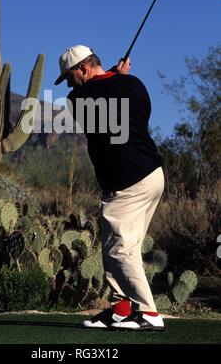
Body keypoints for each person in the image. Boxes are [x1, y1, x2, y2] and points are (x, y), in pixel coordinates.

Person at [54, 45, 165, 331]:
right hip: (152, 174)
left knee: (120, 251)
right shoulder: (135, 84)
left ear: (83, 69)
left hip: (127, 182)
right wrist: (119, 76)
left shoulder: (77, 98)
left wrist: (114, 76)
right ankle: (121, 309)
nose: (68, 83)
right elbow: (129, 106)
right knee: (114, 246)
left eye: (69, 76)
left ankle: (148, 313)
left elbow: (91, 96)